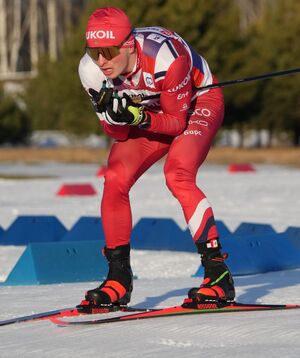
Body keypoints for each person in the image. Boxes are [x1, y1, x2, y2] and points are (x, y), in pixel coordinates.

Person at [77, 7, 234, 308]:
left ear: (128, 44)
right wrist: (114, 115)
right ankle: (118, 278)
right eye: (94, 51)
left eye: (108, 52)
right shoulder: (90, 71)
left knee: (177, 174)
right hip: (151, 113)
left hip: (197, 103)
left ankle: (218, 274)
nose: (101, 61)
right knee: (114, 178)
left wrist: (136, 116)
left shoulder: (166, 57)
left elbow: (176, 122)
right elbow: (118, 135)